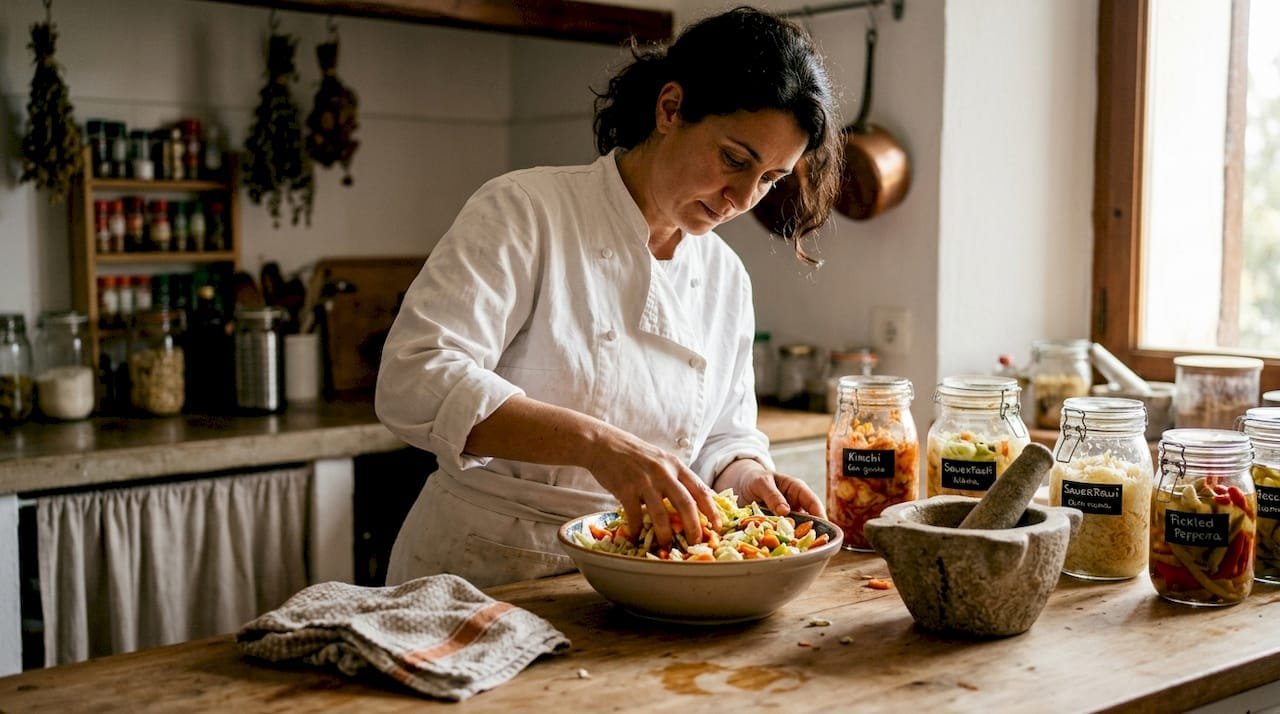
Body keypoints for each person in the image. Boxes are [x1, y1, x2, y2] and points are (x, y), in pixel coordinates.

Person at [375, 5, 843, 588]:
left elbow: (725, 432)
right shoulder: (525, 210)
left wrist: (746, 476)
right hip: (484, 569)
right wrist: (597, 445)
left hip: (641, 576)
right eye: (734, 159)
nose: (743, 198)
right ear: (670, 108)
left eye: (770, 178)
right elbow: (414, 378)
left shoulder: (725, 276)